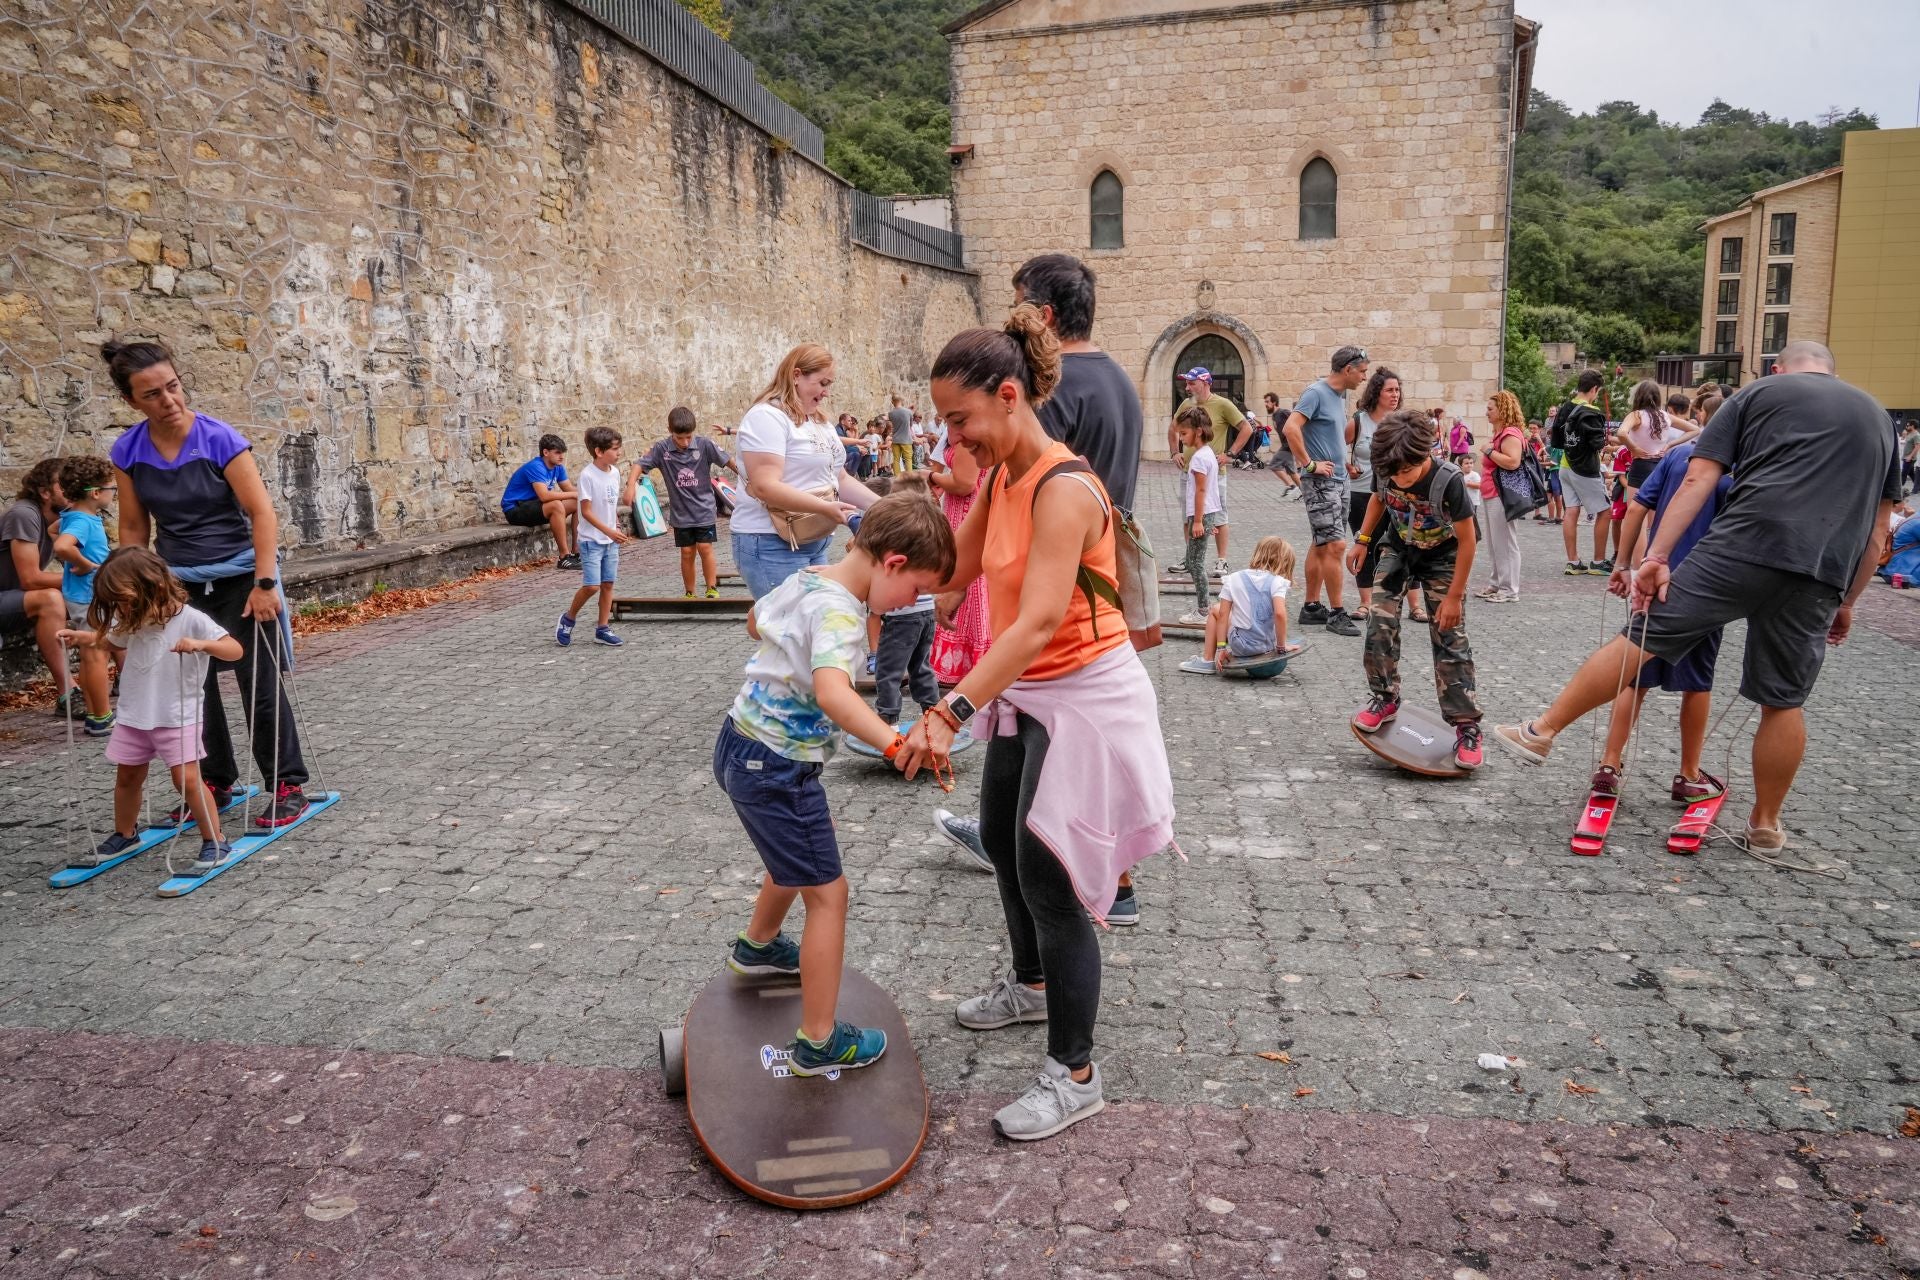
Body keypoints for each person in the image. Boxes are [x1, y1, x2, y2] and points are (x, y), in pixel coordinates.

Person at [902, 307, 1176, 1141]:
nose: (953, 439)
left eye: (960, 420)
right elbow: (953, 573)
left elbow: (1031, 623)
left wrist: (950, 709)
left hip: (1085, 696)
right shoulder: (999, 479)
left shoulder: (1064, 487)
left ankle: (1076, 1073)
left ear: (1010, 396)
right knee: (997, 837)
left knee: (1047, 874)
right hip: (1028, 692)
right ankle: (1029, 986)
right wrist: (859, 583)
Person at [1495, 342, 1901, 852]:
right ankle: (1766, 825)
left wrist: (1656, 558)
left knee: (1643, 638)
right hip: (1818, 570)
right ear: (1832, 373)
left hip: (1740, 547)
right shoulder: (1878, 418)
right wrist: (1848, 602)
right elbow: (1879, 529)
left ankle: (1542, 730)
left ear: (1779, 369)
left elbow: (1699, 476)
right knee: (1783, 701)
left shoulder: (1757, 395)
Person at [931, 252, 1153, 917]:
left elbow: (1030, 510)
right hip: (1086, 600)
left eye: (1019, 304)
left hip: (1060, 632)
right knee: (1041, 832)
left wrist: (951, 708)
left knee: (1041, 860)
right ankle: (1114, 881)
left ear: (1044, 318)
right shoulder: (1119, 380)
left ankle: (1089, 899)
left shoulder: (1038, 412)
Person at [716, 495, 956, 1075]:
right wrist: (895, 742)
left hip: (737, 743)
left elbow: (756, 622)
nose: (911, 605)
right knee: (829, 894)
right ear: (892, 563)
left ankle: (758, 947)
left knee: (791, 856)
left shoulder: (811, 578)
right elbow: (834, 693)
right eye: (916, 591)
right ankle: (819, 1041)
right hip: (777, 766)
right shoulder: (843, 612)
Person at [106, 338, 310, 828]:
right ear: (132, 401)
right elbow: (135, 528)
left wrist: (265, 583)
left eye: (173, 387)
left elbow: (261, 513)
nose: (169, 401)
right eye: (152, 394)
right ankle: (215, 781)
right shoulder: (128, 451)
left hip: (243, 576)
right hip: (176, 583)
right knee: (189, 686)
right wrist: (132, 588)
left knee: (256, 681)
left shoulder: (220, 439)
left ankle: (286, 783)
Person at [1585, 389, 1732, 805]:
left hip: (1653, 578)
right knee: (1698, 683)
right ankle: (1687, 773)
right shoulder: (1736, 468)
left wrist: (1621, 566)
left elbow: (1636, 509)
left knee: (1635, 675)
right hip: (1705, 586)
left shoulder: (1675, 457)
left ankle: (1609, 765)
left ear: (1703, 416)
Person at [56, 548, 244, 871]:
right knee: (128, 775)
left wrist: (202, 645)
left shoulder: (190, 619)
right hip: (135, 714)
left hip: (176, 715)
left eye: (125, 600)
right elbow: (114, 641)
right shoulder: (135, 620)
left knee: (186, 779)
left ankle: (215, 840)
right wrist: (85, 638)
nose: (121, 609)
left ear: (153, 587)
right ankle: (125, 834)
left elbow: (234, 649)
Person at [1347, 411, 1484, 770]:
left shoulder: (1448, 480)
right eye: (1393, 474)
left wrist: (1454, 596)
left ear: (1426, 455)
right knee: (1379, 621)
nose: (1399, 480)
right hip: (1400, 548)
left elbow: (1469, 541)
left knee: (1448, 634)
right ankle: (1385, 697)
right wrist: (1362, 540)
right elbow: (1379, 497)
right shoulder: (1389, 462)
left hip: (1445, 556)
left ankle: (1466, 725)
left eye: (1406, 472)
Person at [729, 346, 881, 599]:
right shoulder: (766, 417)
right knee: (790, 632)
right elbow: (765, 486)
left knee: (813, 628)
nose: (826, 392)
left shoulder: (818, 421)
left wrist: (885, 506)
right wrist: (825, 508)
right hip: (771, 542)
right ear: (796, 375)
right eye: (822, 383)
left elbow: (839, 478)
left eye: (829, 384)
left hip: (814, 538)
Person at [1277, 345, 1371, 637]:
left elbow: (1328, 434)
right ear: (1348, 369)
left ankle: (1312, 607)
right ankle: (1337, 612)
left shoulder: (1340, 395)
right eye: (1363, 371)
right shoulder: (1316, 392)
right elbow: (1291, 428)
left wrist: (1344, 462)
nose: (1364, 378)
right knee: (1335, 545)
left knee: (1322, 542)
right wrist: (1309, 465)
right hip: (1321, 482)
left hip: (1339, 479)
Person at [635, 407, 737, 599]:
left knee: (705, 548)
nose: (684, 442)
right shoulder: (661, 449)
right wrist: (630, 485)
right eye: (679, 438)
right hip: (681, 513)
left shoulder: (705, 445)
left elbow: (728, 460)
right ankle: (690, 592)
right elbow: (639, 464)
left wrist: (747, 478)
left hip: (704, 509)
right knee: (687, 552)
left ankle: (711, 587)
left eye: (688, 437)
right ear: (669, 430)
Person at [867, 475, 945, 729]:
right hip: (926, 611)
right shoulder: (930, 527)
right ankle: (932, 713)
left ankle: (887, 721)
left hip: (902, 615)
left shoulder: (899, 532)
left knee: (888, 670)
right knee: (921, 666)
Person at [2, 458, 75, 715]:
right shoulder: (24, 514)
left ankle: (125, 679)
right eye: (64, 484)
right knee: (50, 599)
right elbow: (30, 579)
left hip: (14, 600)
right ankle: (69, 694)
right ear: (45, 492)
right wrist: (94, 577)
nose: (73, 487)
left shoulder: (66, 518)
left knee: (106, 591)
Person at [52, 456, 116, 735]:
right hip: (92, 595)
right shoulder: (84, 522)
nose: (115, 494)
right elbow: (63, 546)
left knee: (91, 653)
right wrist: (84, 563)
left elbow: (54, 531)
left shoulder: (71, 515)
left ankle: (93, 713)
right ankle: (102, 716)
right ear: (96, 493)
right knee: (96, 655)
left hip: (79, 595)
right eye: (113, 489)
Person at [927, 415, 991, 686]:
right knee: (973, 584)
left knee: (969, 582)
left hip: (966, 513)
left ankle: (971, 661)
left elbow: (965, 483)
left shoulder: (966, 438)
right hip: (963, 512)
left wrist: (931, 476)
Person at [1177, 535, 1299, 674]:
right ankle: (1266, 644)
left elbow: (1223, 615)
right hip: (1267, 645)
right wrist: (1281, 647)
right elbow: (1280, 614)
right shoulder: (1277, 581)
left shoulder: (1233, 579)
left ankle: (1207, 660)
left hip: (1241, 646)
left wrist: (1221, 648)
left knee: (1216, 610)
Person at [555, 426, 628, 648]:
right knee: (592, 586)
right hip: (591, 541)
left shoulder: (614, 473)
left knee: (608, 584)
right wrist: (608, 531)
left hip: (610, 540)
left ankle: (602, 628)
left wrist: (614, 523)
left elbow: (610, 503)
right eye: (615, 449)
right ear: (599, 451)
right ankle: (568, 618)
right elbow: (585, 511)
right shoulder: (587, 476)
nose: (619, 453)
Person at [1169, 369, 1245, 574]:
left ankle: (1222, 560)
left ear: (1205, 383)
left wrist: (1230, 454)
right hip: (1188, 471)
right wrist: (1175, 452)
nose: (1187, 387)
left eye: (1191, 383)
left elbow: (1246, 428)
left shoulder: (1223, 404)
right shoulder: (1187, 405)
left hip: (1214, 473)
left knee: (1219, 517)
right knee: (1188, 515)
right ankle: (1189, 558)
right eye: (1186, 383)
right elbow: (1173, 428)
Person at [1346, 365, 1400, 621]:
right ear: (1377, 392)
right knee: (1364, 544)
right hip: (1361, 493)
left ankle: (1393, 600)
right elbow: (1336, 448)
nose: (1395, 394)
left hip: (1395, 495)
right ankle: (1365, 602)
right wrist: (1347, 466)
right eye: (1390, 389)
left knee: (1394, 548)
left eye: (1398, 390)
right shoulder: (1359, 421)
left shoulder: (1402, 422)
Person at [1553, 371, 1614, 576]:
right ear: (1594, 389)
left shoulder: (1564, 408)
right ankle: (1598, 561)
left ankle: (1573, 562)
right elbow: (1598, 445)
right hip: (1584, 468)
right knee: (1605, 511)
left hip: (1564, 466)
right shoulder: (1592, 411)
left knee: (1571, 511)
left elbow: (1557, 441)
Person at [1474, 390, 1529, 604]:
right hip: (1491, 492)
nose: (1486, 413)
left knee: (1505, 542)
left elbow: (1512, 462)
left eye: (1490, 409)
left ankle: (1509, 589)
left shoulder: (1510, 434)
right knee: (1495, 542)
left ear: (1502, 410)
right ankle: (1497, 583)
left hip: (1502, 494)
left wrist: (1489, 451)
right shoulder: (1500, 434)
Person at [1174, 407, 1225, 626]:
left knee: (1195, 563)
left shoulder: (1198, 459)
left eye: (1184, 433)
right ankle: (1205, 608)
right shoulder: (1208, 455)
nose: (1181, 438)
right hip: (1207, 514)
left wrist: (1197, 521)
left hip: (1201, 515)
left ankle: (1204, 610)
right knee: (1195, 561)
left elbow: (1201, 491)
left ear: (1198, 431)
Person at [500, 434, 579, 569]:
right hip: (515, 509)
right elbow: (544, 496)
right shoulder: (536, 466)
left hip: (535, 507)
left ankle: (577, 553)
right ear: (546, 452)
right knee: (556, 505)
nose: (562, 457)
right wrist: (576, 494)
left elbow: (569, 489)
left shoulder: (558, 467)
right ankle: (564, 557)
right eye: (558, 453)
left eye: (562, 453)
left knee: (577, 503)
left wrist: (586, 494)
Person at [1265, 393, 1301, 497]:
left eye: (1267, 402)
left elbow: (1296, 420)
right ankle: (1303, 491)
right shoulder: (1274, 416)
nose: (1265, 404)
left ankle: (1291, 486)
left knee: (1274, 464)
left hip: (1288, 445)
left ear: (1274, 402)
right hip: (1286, 445)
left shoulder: (1282, 412)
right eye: (1265, 402)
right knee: (1291, 471)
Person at [888, 396, 914, 476]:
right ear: (902, 400)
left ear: (892, 402)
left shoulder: (891, 413)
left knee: (896, 459)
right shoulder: (908, 411)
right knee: (908, 459)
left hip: (895, 439)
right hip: (906, 439)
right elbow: (911, 425)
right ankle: (909, 477)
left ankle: (897, 477)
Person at [1901, 420, 1919, 495]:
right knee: (1911, 473)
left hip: (1910, 458)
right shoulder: (1910, 434)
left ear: (1913, 426)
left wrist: (1910, 456)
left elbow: (1917, 447)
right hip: (1906, 457)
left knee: (1904, 474)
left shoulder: (1916, 435)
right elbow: (1903, 438)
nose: (1907, 426)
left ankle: (1897, 489)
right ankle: (1918, 487)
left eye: (1908, 425)